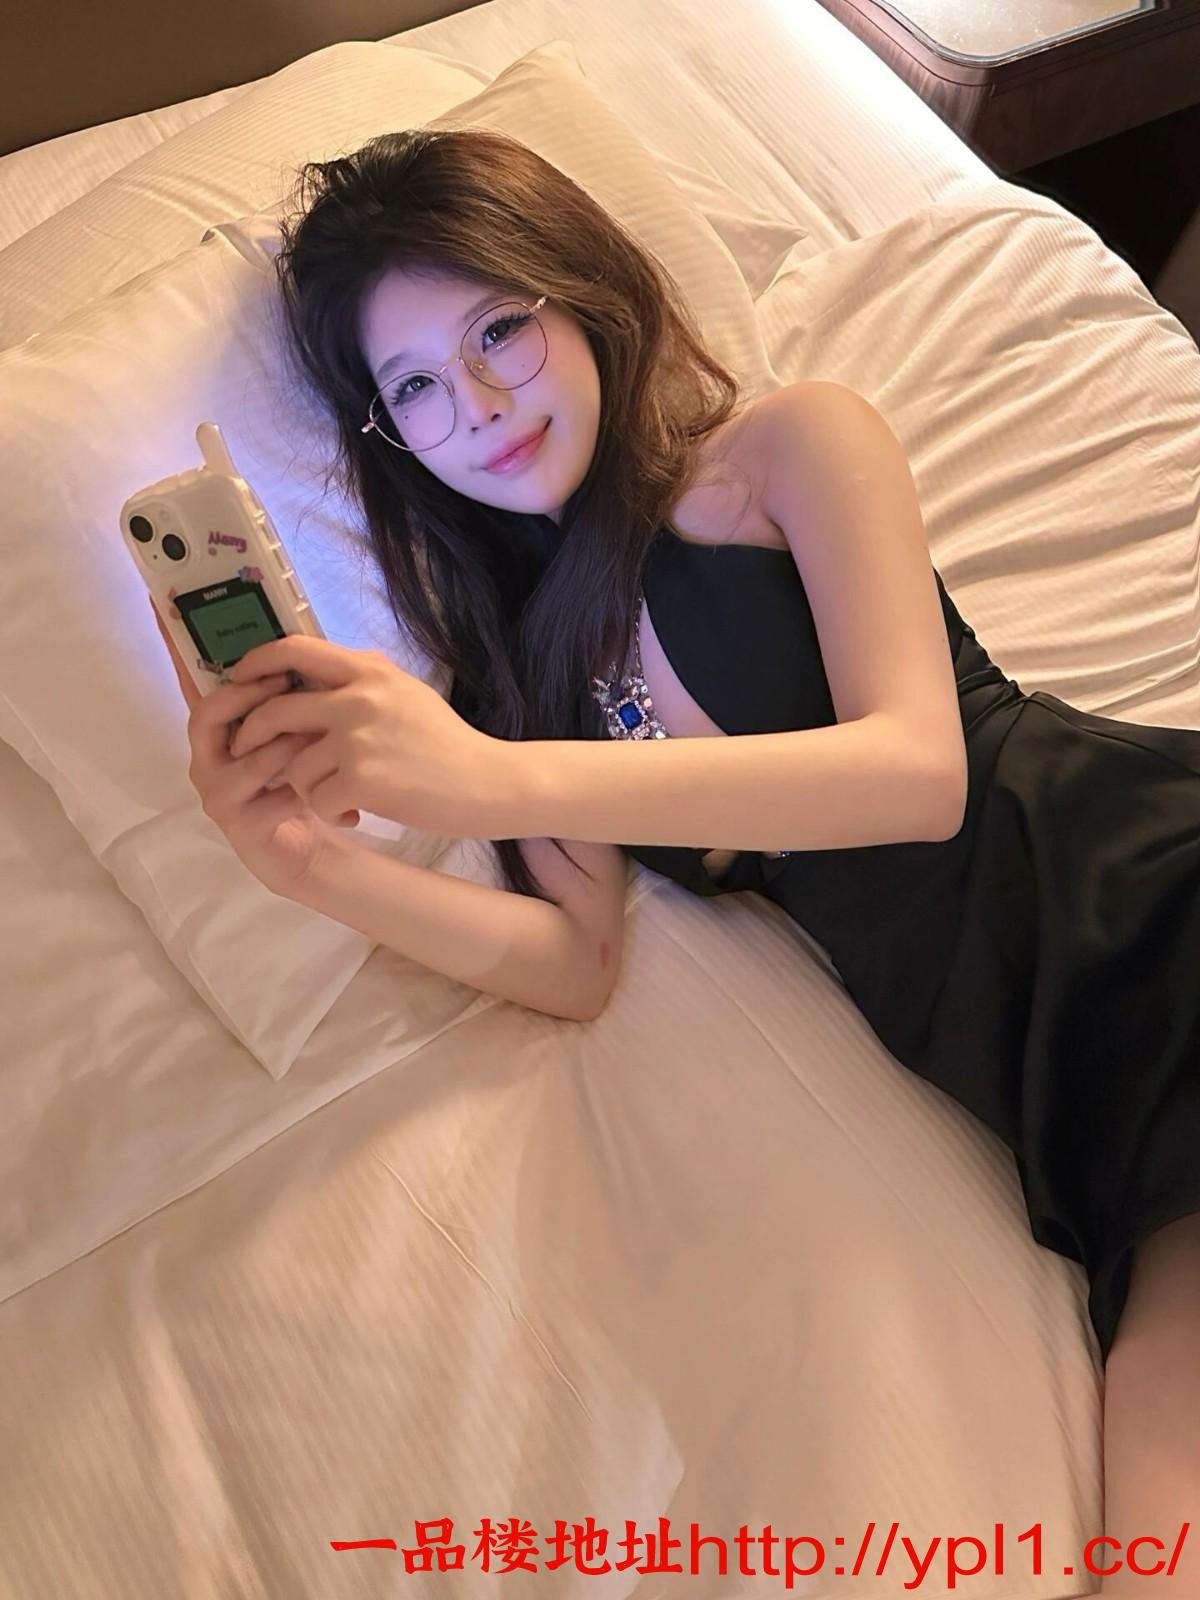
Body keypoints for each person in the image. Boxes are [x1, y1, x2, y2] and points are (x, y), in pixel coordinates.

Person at [160, 126, 1200, 1594]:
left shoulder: (785, 453)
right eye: (415, 388)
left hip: (1143, 887)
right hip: (1064, 1064)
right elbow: (574, 963)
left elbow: (918, 772)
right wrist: (302, 868)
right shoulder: (525, 674)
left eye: (500, 330)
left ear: (582, 291)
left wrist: (488, 776)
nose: (477, 405)